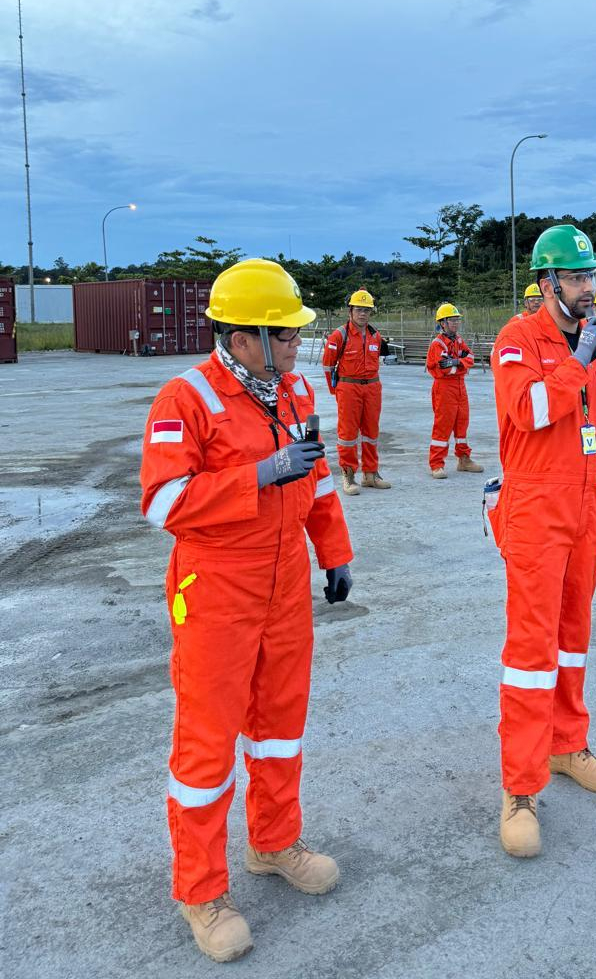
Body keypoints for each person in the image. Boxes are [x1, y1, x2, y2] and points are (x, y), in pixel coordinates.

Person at [140, 258, 354, 964]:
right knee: (207, 741)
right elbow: (163, 502)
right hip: (216, 589)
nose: (299, 345)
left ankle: (273, 842)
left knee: (280, 725)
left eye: (296, 335)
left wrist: (333, 552)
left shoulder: (291, 390)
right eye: (285, 334)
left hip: (285, 581)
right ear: (242, 336)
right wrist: (256, 476)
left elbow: (318, 479)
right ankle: (200, 890)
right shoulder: (186, 398)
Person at [489, 225, 596, 858]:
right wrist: (580, 359)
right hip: (536, 511)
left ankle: (568, 742)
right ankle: (520, 789)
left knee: (574, 636)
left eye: (591, 277)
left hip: (587, 510)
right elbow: (532, 412)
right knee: (530, 648)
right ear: (547, 283)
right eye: (576, 278)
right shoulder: (517, 341)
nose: (588, 289)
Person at [322, 289, 391, 494]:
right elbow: (328, 367)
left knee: (371, 432)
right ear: (350, 311)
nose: (363, 314)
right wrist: (337, 391)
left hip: (372, 387)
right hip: (348, 387)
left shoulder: (375, 336)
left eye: (367, 310)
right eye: (359, 310)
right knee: (348, 434)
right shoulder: (339, 336)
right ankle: (349, 474)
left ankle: (370, 474)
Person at [426, 303, 484, 478]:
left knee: (462, 424)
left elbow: (471, 358)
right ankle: (436, 464)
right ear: (442, 323)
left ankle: (464, 459)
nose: (456, 323)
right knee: (442, 427)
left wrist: (457, 362)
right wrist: (461, 363)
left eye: (457, 320)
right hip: (444, 389)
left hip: (460, 387)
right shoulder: (438, 344)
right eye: (452, 320)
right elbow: (444, 369)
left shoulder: (458, 340)